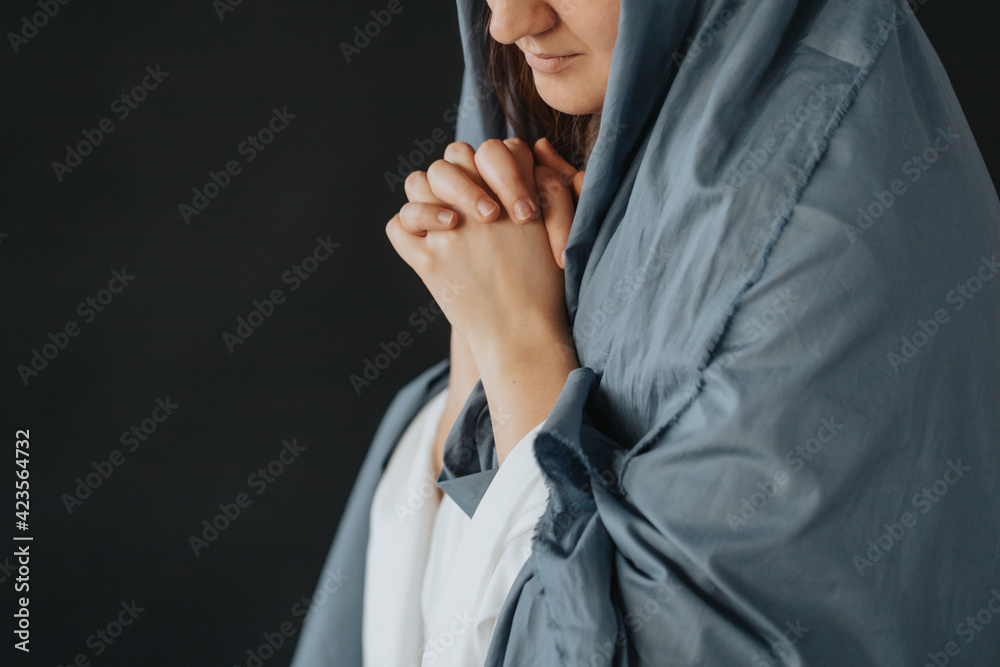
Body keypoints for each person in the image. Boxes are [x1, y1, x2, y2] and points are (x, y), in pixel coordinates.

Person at [292, 0, 1000, 665]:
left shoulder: (824, 240)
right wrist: (476, 346)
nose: (508, 23)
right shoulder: (589, 115)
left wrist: (517, 346)